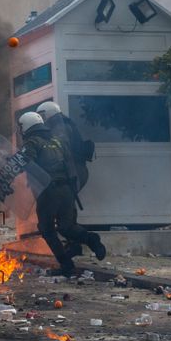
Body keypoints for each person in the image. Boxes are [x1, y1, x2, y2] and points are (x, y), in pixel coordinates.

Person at [18, 112, 105, 276]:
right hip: (66, 189)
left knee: (46, 229)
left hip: (48, 191)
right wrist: (72, 189)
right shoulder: (57, 141)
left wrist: (10, 167)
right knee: (67, 226)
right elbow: (70, 164)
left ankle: (67, 265)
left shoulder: (32, 142)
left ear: (26, 126)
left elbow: (25, 164)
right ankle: (91, 239)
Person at [36, 101, 93, 191]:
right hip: (76, 168)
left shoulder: (60, 127)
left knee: (65, 198)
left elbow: (60, 149)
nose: (41, 120)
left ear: (50, 113)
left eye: (42, 115)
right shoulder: (61, 124)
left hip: (74, 169)